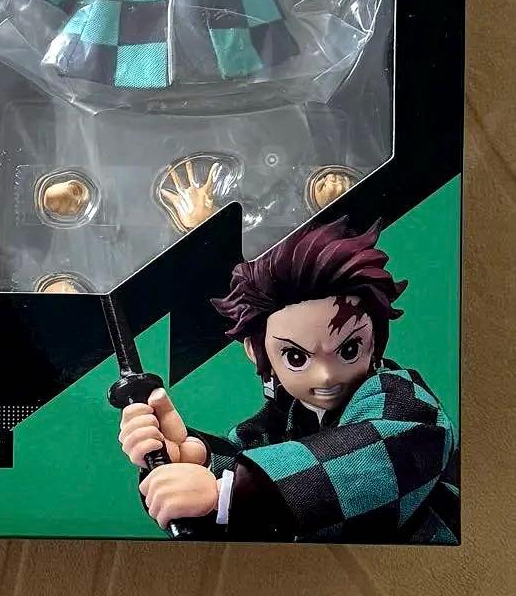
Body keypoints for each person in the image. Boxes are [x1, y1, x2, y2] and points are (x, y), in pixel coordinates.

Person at [117, 219, 459, 542]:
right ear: (255, 350)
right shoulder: (284, 417)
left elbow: (383, 454)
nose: (325, 375)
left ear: (376, 338)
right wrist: (192, 456)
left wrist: (228, 493)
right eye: (296, 357)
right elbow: (245, 456)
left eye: (349, 349)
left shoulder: (404, 403)